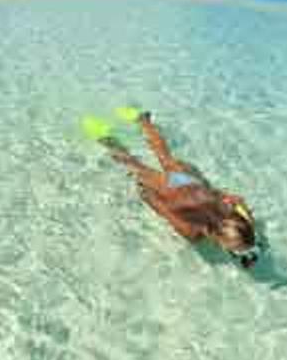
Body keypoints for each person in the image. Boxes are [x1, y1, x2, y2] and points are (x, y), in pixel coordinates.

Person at [100, 111, 263, 269]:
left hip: (187, 179)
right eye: (233, 250)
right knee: (135, 167)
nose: (235, 253)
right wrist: (147, 196)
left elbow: (238, 200)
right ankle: (106, 139)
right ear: (219, 240)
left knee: (165, 156)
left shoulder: (227, 206)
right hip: (168, 190)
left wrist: (247, 217)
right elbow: (165, 212)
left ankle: (144, 121)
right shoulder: (193, 233)